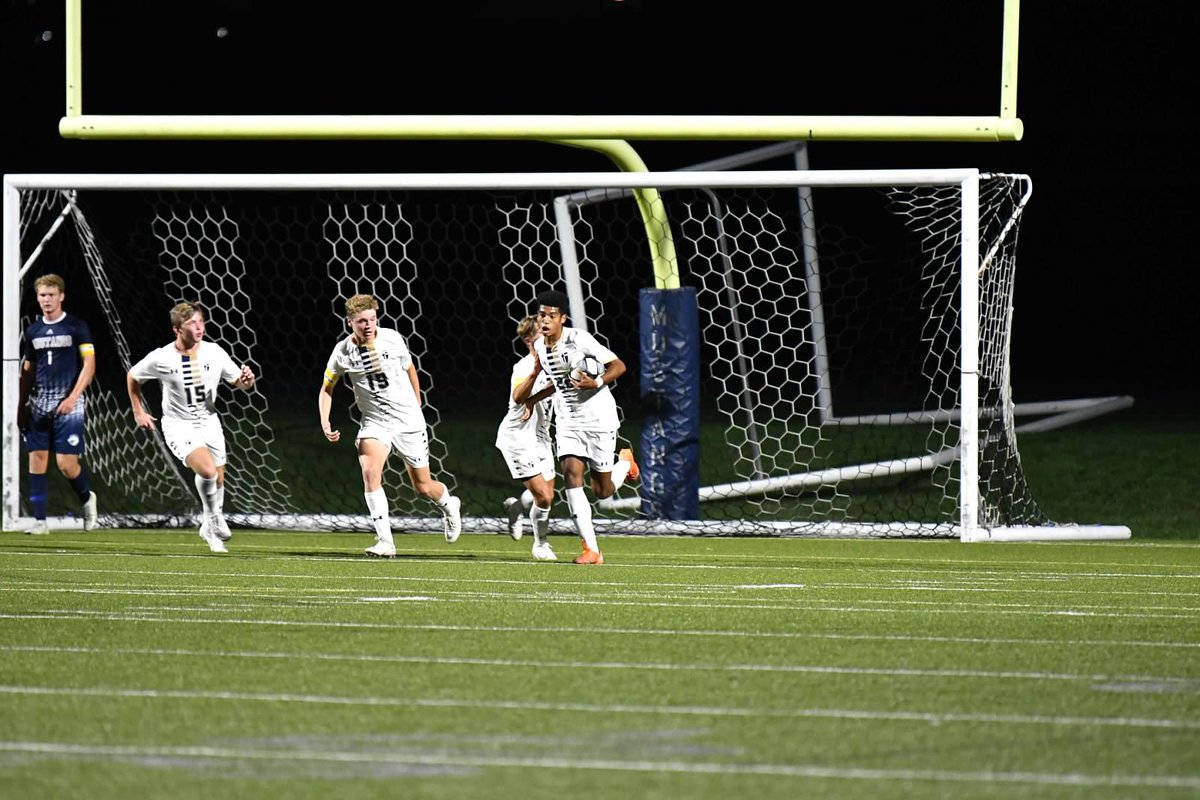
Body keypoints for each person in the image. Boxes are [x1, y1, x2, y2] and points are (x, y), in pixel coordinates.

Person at [319, 293, 462, 558]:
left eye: (372, 319)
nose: (368, 325)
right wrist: (325, 421)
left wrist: (418, 398)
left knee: (423, 487)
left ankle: (449, 504)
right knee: (370, 470)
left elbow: (410, 368)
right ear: (350, 322)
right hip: (375, 423)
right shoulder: (342, 351)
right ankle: (385, 542)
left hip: (407, 421)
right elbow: (327, 388)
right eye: (362, 321)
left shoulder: (392, 339)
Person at [514, 290, 638, 565]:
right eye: (541, 315)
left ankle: (624, 464)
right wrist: (532, 401)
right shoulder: (542, 350)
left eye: (551, 316)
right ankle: (591, 550)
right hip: (569, 421)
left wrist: (595, 382)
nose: (545, 321)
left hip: (599, 420)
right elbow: (556, 384)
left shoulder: (579, 339)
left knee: (602, 491)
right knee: (571, 475)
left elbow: (619, 366)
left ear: (563, 319)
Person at [127, 301, 256, 554]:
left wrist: (246, 381)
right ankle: (214, 517)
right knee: (207, 471)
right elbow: (133, 376)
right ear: (177, 329)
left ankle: (209, 529)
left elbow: (238, 382)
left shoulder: (214, 352)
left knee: (218, 478)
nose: (199, 327)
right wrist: (138, 410)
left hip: (210, 422)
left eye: (201, 321)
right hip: (179, 425)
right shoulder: (162, 357)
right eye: (192, 323)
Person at [17, 274, 98, 535]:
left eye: (51, 294)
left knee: (66, 465)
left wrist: (73, 397)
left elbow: (89, 364)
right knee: (36, 460)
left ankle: (87, 498)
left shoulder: (76, 327)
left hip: (69, 405)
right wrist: (20, 405)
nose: (46, 300)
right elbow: (28, 370)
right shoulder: (33, 331)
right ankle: (40, 522)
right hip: (39, 405)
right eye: (42, 295)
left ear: (61, 296)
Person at [497, 315, 558, 561]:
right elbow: (518, 396)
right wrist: (535, 372)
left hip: (541, 438)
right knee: (545, 497)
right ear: (527, 340)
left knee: (543, 496)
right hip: (518, 437)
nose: (545, 337)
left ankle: (517, 507)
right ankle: (540, 545)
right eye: (539, 334)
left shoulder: (554, 361)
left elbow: (560, 384)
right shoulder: (522, 368)